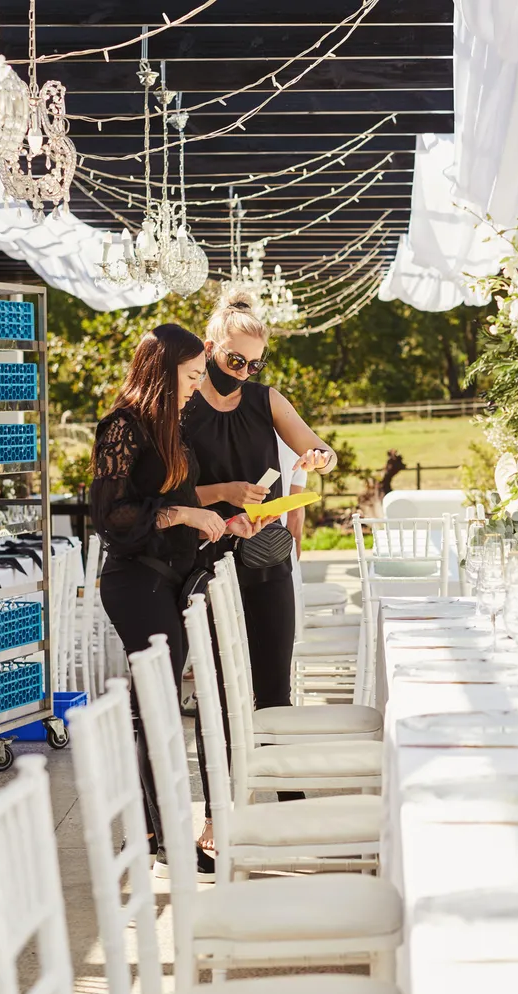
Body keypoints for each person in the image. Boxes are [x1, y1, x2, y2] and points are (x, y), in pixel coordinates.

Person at [89, 323, 262, 873]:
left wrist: (225, 523)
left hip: (168, 578)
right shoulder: (121, 426)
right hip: (135, 581)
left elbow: (180, 504)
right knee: (159, 710)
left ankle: (151, 833)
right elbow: (113, 518)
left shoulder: (170, 427)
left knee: (156, 711)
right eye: (189, 376)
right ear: (161, 373)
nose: (195, 386)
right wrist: (188, 513)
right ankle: (165, 836)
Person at [182, 291, 336, 849]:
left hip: (264, 556)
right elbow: (165, 493)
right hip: (201, 561)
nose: (243, 372)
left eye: (254, 363)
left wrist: (317, 459)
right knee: (218, 695)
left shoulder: (265, 399)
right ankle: (217, 819)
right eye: (233, 361)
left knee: (273, 690)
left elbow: (318, 449)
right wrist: (222, 493)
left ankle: (287, 807)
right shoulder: (182, 402)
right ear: (210, 348)